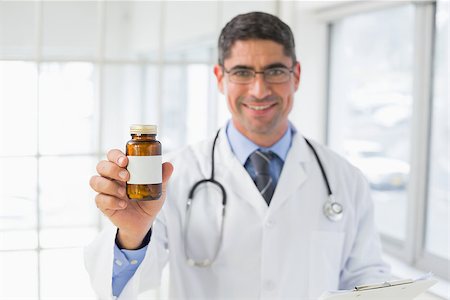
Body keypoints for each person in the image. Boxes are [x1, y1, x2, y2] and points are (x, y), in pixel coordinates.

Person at [85, 11, 391, 300]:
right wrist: (132, 234)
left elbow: (365, 275)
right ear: (220, 78)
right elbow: (121, 285)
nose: (259, 90)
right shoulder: (174, 177)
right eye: (242, 72)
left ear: (295, 75)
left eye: (275, 71)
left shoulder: (344, 179)